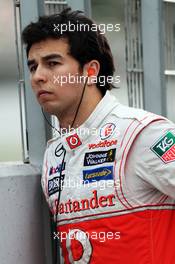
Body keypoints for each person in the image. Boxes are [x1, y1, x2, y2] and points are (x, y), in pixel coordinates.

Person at [22, 7, 175, 264]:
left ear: (91, 71)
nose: (38, 76)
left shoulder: (144, 133)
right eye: (33, 66)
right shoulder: (54, 154)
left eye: (52, 63)